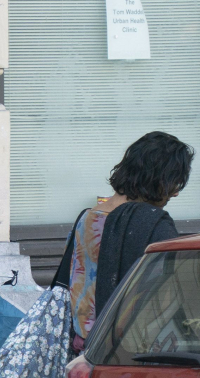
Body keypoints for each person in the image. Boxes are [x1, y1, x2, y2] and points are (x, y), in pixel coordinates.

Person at [54, 131, 193, 352]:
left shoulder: (86, 218)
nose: (175, 193)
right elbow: (168, 298)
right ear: (158, 177)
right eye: (174, 182)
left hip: (82, 349)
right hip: (128, 354)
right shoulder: (154, 224)